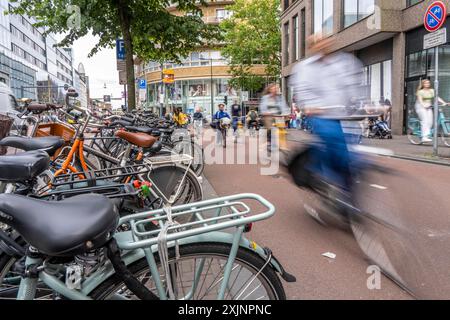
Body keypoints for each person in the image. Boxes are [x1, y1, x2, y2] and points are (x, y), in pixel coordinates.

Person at [290, 33, 367, 196]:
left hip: (344, 116)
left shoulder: (345, 62)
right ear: (311, 47)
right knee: (336, 145)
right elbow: (302, 92)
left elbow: (354, 86)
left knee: (355, 153)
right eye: (317, 41)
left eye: (325, 39)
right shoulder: (304, 68)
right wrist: (310, 107)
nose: (323, 43)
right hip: (322, 116)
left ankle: (347, 192)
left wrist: (365, 104)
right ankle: (318, 174)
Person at [259, 83, 290, 151]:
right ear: (270, 90)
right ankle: (269, 142)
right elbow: (262, 107)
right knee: (270, 126)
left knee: (282, 128)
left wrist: (287, 113)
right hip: (268, 116)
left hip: (278, 116)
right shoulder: (265, 98)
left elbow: (284, 107)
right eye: (274, 88)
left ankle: (282, 144)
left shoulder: (280, 98)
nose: (276, 90)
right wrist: (265, 113)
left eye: (277, 88)